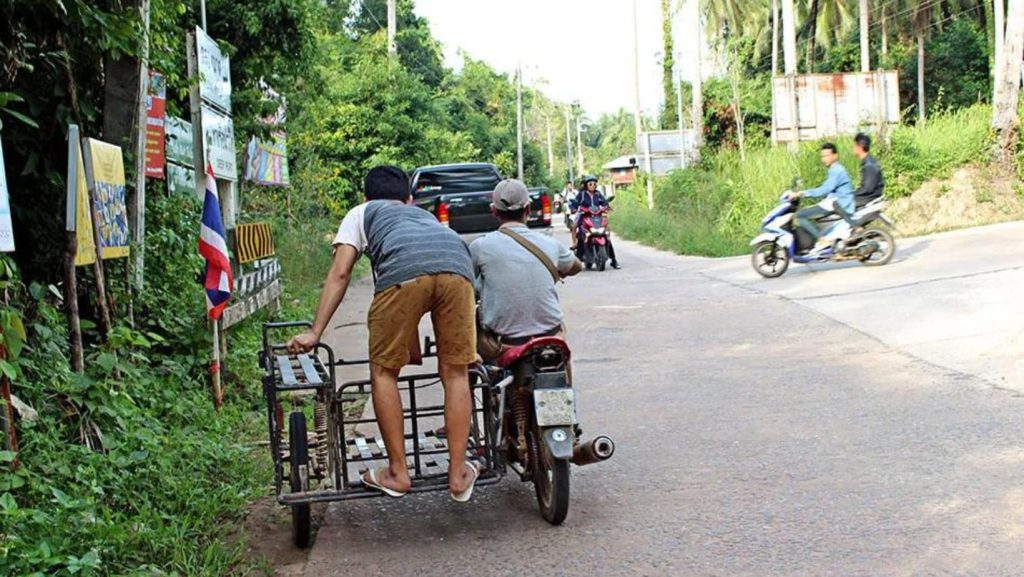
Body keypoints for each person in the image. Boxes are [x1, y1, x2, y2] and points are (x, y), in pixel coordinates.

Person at [286, 165, 479, 502]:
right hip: (458, 268)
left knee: (383, 372)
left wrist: (316, 331)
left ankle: (398, 472)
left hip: (405, 275)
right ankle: (459, 472)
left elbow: (341, 273)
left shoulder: (361, 212)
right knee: (455, 372)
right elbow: (431, 273)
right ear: (408, 197)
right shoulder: (422, 216)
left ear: (366, 196)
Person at [470, 179, 582, 362]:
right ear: (528, 209)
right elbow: (576, 267)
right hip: (551, 337)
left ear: (494, 211)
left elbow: (467, 280)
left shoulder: (481, 246)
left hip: (505, 343)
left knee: (477, 348)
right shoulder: (549, 243)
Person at [791, 142, 854, 253]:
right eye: (822, 156)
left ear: (835, 156)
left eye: (827, 156)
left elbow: (824, 190)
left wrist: (803, 193)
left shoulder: (837, 171)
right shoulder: (835, 170)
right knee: (810, 211)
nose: (824, 159)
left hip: (839, 203)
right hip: (833, 202)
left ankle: (822, 240)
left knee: (800, 215)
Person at [570, 175, 620, 269]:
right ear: (586, 185)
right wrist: (574, 208)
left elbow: (604, 202)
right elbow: (575, 203)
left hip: (597, 217)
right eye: (590, 184)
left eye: (594, 184)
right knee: (577, 229)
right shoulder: (582, 194)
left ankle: (613, 260)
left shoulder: (598, 194)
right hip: (584, 216)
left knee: (606, 236)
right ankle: (577, 254)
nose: (592, 185)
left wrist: (607, 207)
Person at [852, 132, 885, 208]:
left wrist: (852, 193)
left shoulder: (869, 165)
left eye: (854, 146)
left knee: (837, 203)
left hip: (870, 197)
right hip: (870, 195)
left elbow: (867, 188)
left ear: (860, 147)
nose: (853, 148)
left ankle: (851, 220)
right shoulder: (868, 160)